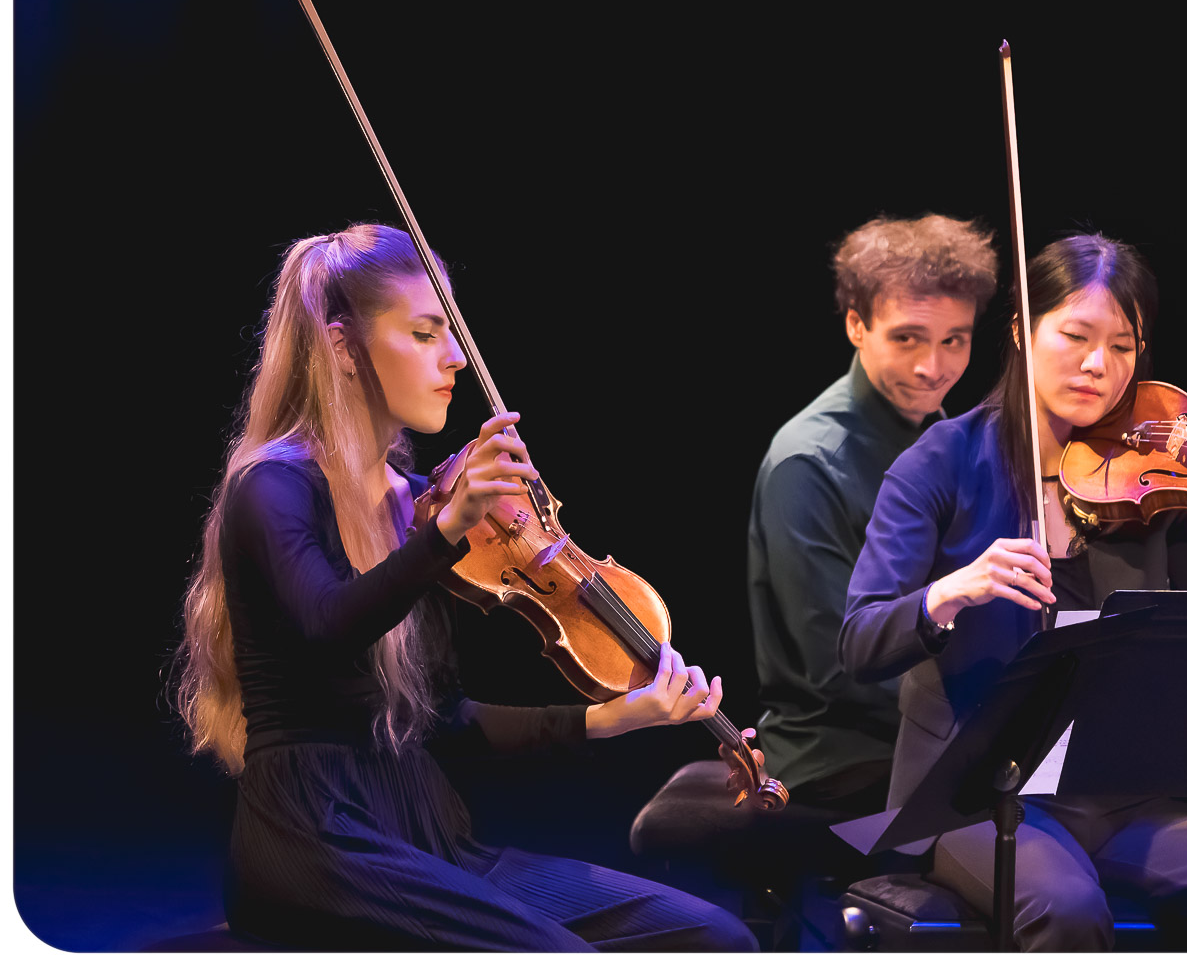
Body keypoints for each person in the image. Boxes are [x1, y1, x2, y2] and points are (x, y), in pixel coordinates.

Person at [172, 223, 759, 952]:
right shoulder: (273, 485)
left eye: (451, 333)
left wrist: (615, 716)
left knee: (713, 934)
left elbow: (442, 718)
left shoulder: (419, 503)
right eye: (424, 334)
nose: (453, 359)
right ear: (342, 347)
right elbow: (328, 627)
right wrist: (444, 533)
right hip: (315, 837)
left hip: (428, 831)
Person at [839, 232, 1187, 951]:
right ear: (1022, 331)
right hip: (978, 790)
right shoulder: (940, 464)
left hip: (1133, 785)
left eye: (1122, 345)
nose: (1097, 366)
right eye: (1075, 335)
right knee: (1066, 910)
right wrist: (951, 591)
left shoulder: (1157, 473)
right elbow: (858, 641)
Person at [748, 214, 999, 815]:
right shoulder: (809, 463)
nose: (932, 368)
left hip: (933, 721)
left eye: (954, 340)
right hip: (838, 750)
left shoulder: (942, 438)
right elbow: (838, 667)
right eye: (907, 337)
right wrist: (987, 714)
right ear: (857, 326)